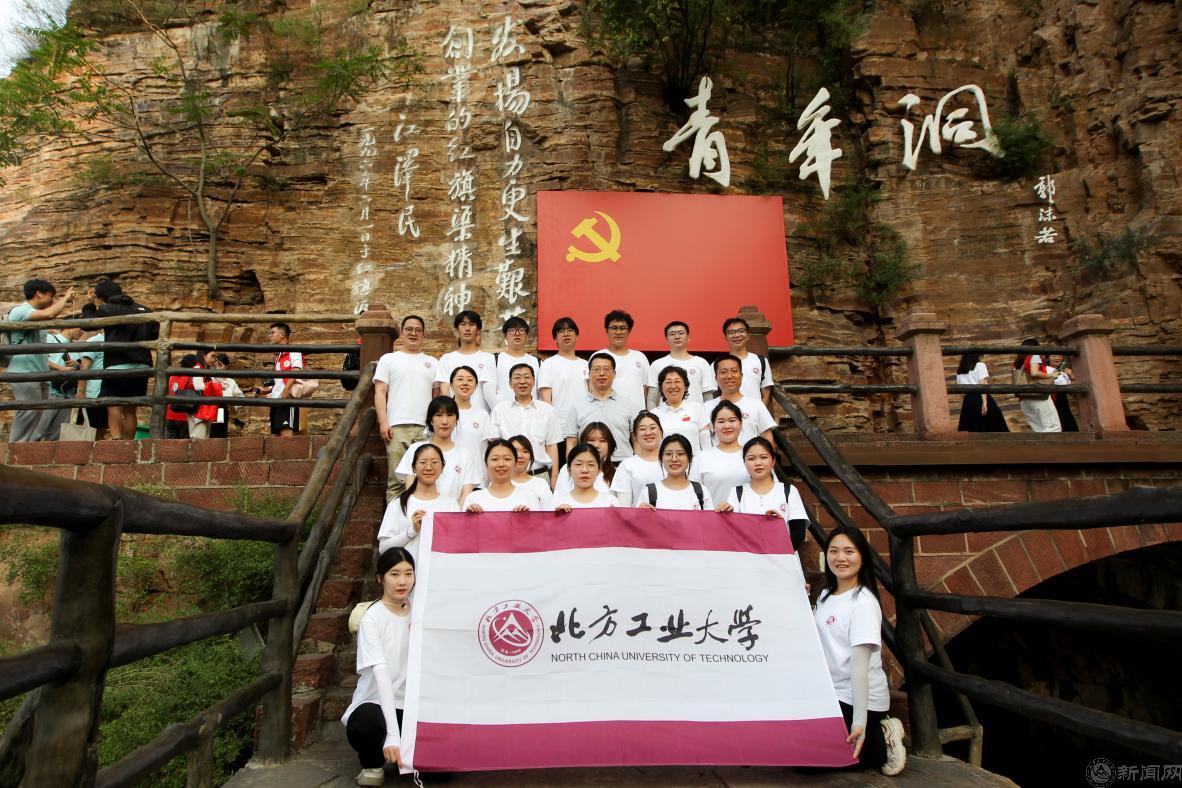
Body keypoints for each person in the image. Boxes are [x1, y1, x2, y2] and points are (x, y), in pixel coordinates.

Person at [813, 526, 907, 776]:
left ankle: (882, 737)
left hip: (859, 699)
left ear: (862, 557)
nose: (840, 558)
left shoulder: (863, 603)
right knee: (797, 753)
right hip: (830, 694)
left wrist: (860, 722)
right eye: (833, 551)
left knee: (813, 763)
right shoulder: (825, 595)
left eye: (849, 551)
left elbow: (859, 667)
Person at [342, 546, 416, 787]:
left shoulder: (419, 611)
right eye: (394, 574)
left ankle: (407, 755)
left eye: (408, 573)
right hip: (377, 704)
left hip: (412, 705)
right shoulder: (372, 618)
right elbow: (381, 674)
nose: (402, 581)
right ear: (380, 578)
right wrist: (393, 735)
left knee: (443, 769)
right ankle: (373, 763)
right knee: (366, 723)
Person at [374, 315, 440, 501]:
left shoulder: (432, 362)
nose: (413, 333)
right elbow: (380, 392)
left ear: (423, 335)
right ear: (402, 333)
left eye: (418, 330)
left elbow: (436, 398)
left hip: (425, 429)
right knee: (397, 480)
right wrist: (383, 422)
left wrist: (435, 426)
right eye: (409, 329)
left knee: (425, 479)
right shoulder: (389, 359)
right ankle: (394, 518)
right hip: (396, 427)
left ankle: (418, 518)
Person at [5, 278, 77, 442]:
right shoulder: (21, 310)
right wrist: (65, 298)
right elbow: (50, 313)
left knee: (38, 412)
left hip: (40, 372)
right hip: (24, 371)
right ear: (39, 294)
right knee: (28, 411)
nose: (53, 301)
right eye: (51, 296)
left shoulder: (36, 316)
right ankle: (16, 447)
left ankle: (28, 447)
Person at [719, 437, 810, 550]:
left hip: (784, 557)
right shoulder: (736, 493)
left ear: (773, 461)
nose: (758, 463)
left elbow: (798, 533)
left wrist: (778, 550)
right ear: (744, 462)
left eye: (764, 457)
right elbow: (732, 533)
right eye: (751, 459)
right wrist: (726, 515)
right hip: (748, 557)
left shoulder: (788, 491)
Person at [94, 280, 156, 440]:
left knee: (113, 406)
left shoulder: (107, 308)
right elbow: (155, 334)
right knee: (130, 409)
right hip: (141, 366)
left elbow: (88, 324)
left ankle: (117, 442)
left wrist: (91, 305)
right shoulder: (144, 310)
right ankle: (129, 444)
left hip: (116, 365)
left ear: (101, 297)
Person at [378, 443, 461, 557]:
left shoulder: (451, 505)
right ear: (414, 467)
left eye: (434, 462)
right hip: (408, 568)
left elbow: (458, 543)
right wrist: (412, 531)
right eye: (423, 462)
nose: (428, 467)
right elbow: (383, 548)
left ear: (442, 467)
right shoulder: (398, 504)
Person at [394, 396, 479, 502]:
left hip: (453, 511)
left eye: (450, 415)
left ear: (456, 419)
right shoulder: (415, 449)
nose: (445, 421)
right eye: (438, 415)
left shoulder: (465, 454)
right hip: (421, 511)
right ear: (431, 420)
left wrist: (454, 511)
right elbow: (410, 490)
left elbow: (466, 495)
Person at [490, 364, 562, 486]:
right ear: (510, 383)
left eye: (527, 377)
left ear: (533, 381)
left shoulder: (547, 410)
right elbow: (495, 447)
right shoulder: (499, 410)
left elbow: (551, 446)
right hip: (508, 477)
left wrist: (554, 479)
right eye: (517, 377)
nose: (522, 381)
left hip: (540, 476)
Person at [564, 353, 640, 461]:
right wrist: (571, 465)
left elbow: (637, 441)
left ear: (614, 374)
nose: (601, 373)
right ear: (589, 374)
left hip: (622, 464)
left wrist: (637, 465)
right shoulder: (577, 406)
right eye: (596, 369)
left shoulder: (629, 405)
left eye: (606, 369)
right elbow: (571, 443)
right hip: (589, 465)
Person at [703, 355, 776, 446]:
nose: (729, 376)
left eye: (734, 371)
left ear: (741, 375)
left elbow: (767, 437)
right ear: (716, 378)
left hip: (749, 455)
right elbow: (704, 440)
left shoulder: (756, 405)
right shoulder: (706, 407)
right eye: (723, 372)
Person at [435, 310, 497, 411]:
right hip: (455, 416)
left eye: (472, 324)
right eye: (463, 324)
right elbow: (445, 393)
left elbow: (491, 392)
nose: (467, 328)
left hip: (482, 416)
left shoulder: (488, 358)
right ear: (457, 329)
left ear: (478, 329)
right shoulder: (447, 359)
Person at [646, 321, 715, 408]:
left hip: (695, 415)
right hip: (666, 415)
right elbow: (652, 398)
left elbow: (708, 397)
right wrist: (652, 416)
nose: (677, 337)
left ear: (688, 337)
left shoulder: (701, 363)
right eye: (672, 334)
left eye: (681, 333)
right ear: (666, 339)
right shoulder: (657, 364)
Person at [635, 434, 711, 511]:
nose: (674, 459)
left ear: (690, 458)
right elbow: (635, 518)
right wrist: (640, 514)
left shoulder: (702, 492)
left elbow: (711, 518)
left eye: (680, 454)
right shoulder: (648, 493)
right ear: (661, 458)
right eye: (668, 454)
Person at [695, 401, 751, 505]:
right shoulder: (701, 458)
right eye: (721, 422)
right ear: (713, 425)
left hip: (748, 515)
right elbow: (693, 495)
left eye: (732, 420)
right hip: (713, 514)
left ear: (741, 423)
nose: (727, 426)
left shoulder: (753, 456)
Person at [463, 439, 542, 512]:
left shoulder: (529, 497)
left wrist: (525, 518)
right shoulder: (473, 499)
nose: (501, 464)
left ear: (515, 463)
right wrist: (470, 517)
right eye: (495, 459)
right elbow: (463, 523)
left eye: (507, 459)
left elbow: (539, 523)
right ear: (486, 463)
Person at [611, 411, 666, 507]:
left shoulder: (674, 462)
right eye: (642, 429)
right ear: (635, 436)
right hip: (640, 516)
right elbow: (624, 507)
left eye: (653, 428)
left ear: (661, 432)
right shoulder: (627, 465)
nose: (648, 433)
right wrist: (639, 510)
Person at [258, 322, 303, 437]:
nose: (270, 336)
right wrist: (269, 390)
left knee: (285, 433)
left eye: (272, 333)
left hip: (286, 398)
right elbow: (280, 380)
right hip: (276, 399)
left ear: (282, 334)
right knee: (275, 435)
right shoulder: (279, 356)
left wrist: (285, 390)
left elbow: (297, 370)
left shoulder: (293, 350)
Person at [538, 316, 587, 420]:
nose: (566, 334)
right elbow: (546, 400)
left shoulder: (587, 365)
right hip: (560, 424)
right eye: (561, 331)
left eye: (570, 330)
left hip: (585, 422)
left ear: (577, 335)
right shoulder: (548, 364)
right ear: (555, 338)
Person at [597, 309, 649, 405]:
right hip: (608, 412)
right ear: (606, 330)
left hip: (636, 413)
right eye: (614, 328)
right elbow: (592, 387)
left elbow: (645, 389)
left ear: (629, 331)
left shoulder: (640, 357)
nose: (618, 332)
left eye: (622, 328)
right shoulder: (598, 357)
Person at [653, 365, 710, 452]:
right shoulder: (654, 414)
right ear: (661, 387)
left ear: (685, 386)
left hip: (696, 460)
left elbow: (706, 443)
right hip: (666, 460)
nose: (673, 386)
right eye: (668, 382)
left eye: (677, 381)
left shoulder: (697, 408)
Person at [553, 422, 616, 497]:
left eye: (602, 441)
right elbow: (558, 498)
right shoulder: (567, 469)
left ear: (610, 446)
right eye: (591, 440)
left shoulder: (616, 473)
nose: (597, 445)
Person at [722, 316, 773, 407]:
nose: (737, 335)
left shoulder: (761, 361)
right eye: (731, 332)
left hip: (755, 413)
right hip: (728, 413)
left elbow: (766, 393)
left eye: (741, 331)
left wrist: (760, 412)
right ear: (725, 337)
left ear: (748, 335)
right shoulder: (718, 364)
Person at [1013, 339, 1061, 433]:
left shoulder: (1018, 361)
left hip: (1024, 399)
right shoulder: (1034, 355)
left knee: (1039, 430)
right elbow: (1034, 372)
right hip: (1038, 395)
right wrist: (1051, 375)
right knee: (1054, 427)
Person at [44, 325, 82, 439]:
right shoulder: (50, 339)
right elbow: (40, 359)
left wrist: (77, 365)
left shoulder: (76, 347)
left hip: (68, 394)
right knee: (39, 428)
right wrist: (60, 368)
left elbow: (80, 368)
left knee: (57, 433)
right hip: (50, 391)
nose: (82, 332)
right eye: (80, 328)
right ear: (69, 326)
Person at [954, 353, 1008, 432]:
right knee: (994, 426)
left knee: (972, 428)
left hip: (968, 401)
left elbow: (961, 392)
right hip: (980, 397)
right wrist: (985, 402)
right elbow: (982, 384)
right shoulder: (980, 365)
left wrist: (964, 405)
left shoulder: (960, 370)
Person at [554, 443, 618, 510]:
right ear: (569, 470)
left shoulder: (611, 502)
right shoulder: (557, 502)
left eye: (591, 465)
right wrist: (558, 515)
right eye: (578, 464)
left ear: (598, 470)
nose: (584, 470)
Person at [450, 365, 492, 461]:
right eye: (460, 379)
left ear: (475, 386)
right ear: (451, 385)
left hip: (477, 469)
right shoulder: (440, 414)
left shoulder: (483, 415)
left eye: (470, 380)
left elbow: (485, 449)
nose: (465, 383)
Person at [494, 315, 539, 405]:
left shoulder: (536, 362)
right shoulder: (496, 360)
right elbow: (489, 391)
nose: (517, 334)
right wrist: (500, 410)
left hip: (531, 411)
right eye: (512, 330)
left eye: (521, 330)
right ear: (505, 335)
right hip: (504, 411)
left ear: (527, 336)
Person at [76, 323, 108, 439]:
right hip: (93, 393)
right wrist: (81, 391)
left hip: (108, 393)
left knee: (102, 429)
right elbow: (84, 366)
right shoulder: (95, 341)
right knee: (90, 429)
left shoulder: (117, 342)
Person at [509, 435, 555, 511]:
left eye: (525, 451)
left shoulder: (541, 484)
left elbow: (550, 513)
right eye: (515, 451)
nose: (520, 455)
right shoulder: (498, 484)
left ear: (530, 456)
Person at [209, 353, 244, 438]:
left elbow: (240, 398)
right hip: (209, 409)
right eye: (215, 365)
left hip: (222, 410)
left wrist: (232, 407)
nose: (217, 368)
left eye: (220, 365)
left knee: (219, 435)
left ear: (227, 366)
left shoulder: (231, 382)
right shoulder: (211, 378)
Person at [1048, 354, 1079, 432]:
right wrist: (1054, 375)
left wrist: (1071, 376)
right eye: (1053, 356)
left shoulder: (1064, 371)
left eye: (1059, 356)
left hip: (1064, 399)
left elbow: (1072, 388)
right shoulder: (1046, 370)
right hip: (1053, 398)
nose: (1057, 358)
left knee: (1070, 423)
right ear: (1047, 358)